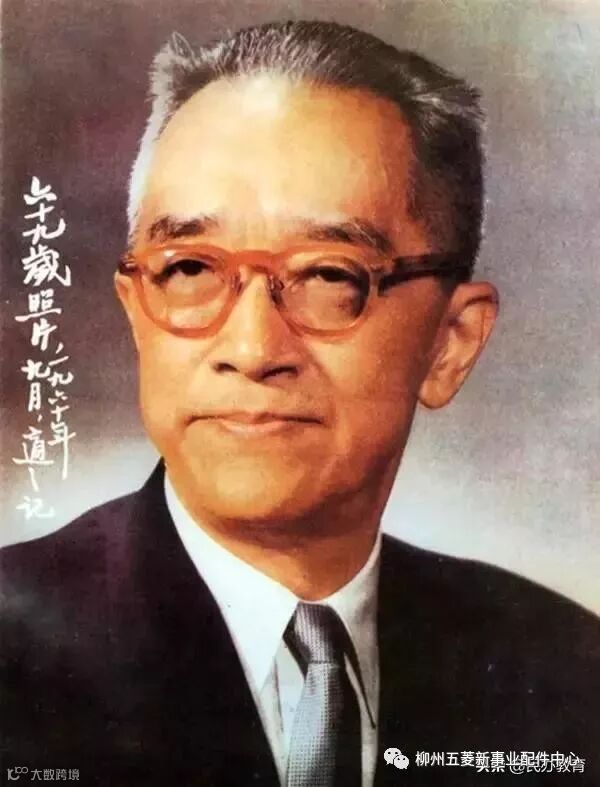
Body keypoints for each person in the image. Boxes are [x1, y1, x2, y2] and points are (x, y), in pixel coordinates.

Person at [1, 20, 598, 787]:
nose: (253, 348)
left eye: (329, 275)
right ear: (137, 311)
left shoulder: (567, 672)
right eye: (189, 268)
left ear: (451, 343)